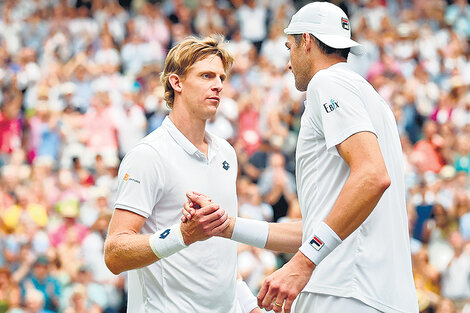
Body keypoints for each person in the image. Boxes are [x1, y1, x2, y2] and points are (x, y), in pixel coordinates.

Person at [183, 2, 418, 313]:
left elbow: (372, 175)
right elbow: (317, 230)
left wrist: (304, 262)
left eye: (289, 46)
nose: (288, 61)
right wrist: (227, 226)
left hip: (345, 292)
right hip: (380, 295)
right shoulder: (370, 98)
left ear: (306, 41)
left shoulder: (327, 82)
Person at [104, 35, 261, 313]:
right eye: (206, 75)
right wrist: (184, 235)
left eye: (222, 78)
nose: (218, 85)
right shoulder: (147, 155)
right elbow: (114, 254)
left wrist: (250, 307)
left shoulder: (226, 153)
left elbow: (220, 253)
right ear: (176, 83)